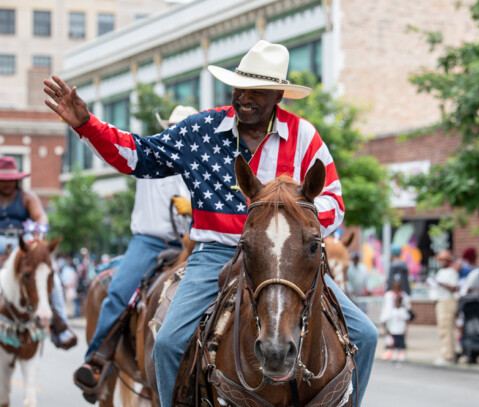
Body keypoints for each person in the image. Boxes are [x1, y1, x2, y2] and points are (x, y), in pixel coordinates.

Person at [44, 40, 378, 407]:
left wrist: (289, 229)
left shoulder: (304, 137)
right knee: (168, 344)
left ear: (278, 96)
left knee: (366, 335)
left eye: (257, 91)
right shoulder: (201, 131)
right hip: (214, 253)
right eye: (240, 87)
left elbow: (333, 200)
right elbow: (139, 155)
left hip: (287, 259)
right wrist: (86, 124)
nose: (244, 97)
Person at [71, 106, 194, 401]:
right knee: (118, 293)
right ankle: (97, 361)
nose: (180, 134)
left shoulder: (198, 164)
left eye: (186, 129)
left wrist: (194, 209)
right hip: (149, 242)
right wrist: (85, 126)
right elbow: (109, 148)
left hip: (191, 244)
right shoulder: (150, 153)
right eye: (176, 127)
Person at [0, 155, 77, 350]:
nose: (7, 183)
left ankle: (60, 327)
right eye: (3, 180)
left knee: (53, 279)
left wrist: (37, 236)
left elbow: (41, 217)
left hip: (23, 243)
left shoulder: (27, 197)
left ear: (17, 179)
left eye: (11, 179)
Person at [430, 249, 459, 366]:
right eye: (440, 259)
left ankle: (448, 355)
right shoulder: (441, 271)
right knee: (442, 328)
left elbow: (453, 288)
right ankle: (445, 353)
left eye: (444, 260)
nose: (441, 262)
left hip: (447, 301)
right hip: (440, 301)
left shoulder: (451, 272)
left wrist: (441, 284)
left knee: (446, 328)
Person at [379, 280, 411, 361]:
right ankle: (390, 351)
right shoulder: (388, 295)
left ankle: (400, 353)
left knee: (399, 340)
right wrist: (383, 318)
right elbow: (385, 307)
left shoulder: (404, 296)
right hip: (390, 319)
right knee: (389, 337)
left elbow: (408, 309)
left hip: (399, 322)